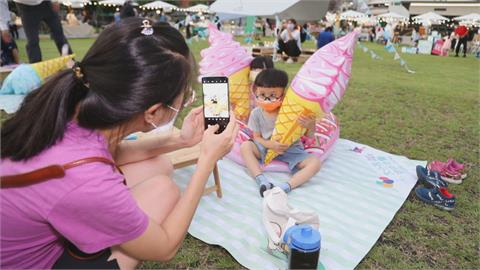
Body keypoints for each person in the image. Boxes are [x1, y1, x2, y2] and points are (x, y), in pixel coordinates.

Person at [0, 18, 238, 269]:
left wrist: (182, 139)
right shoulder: (86, 177)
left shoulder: (72, 104)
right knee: (164, 190)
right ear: (154, 112)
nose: (184, 103)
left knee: (159, 167)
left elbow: (113, 153)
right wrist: (206, 161)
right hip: (33, 264)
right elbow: (165, 247)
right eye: (184, 98)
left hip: (30, 234)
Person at [240, 69, 322, 197]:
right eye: (262, 94)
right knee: (245, 146)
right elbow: (257, 137)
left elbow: (310, 136)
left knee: (315, 163)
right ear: (255, 91)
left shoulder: (293, 112)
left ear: (283, 94)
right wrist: (270, 144)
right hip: (266, 147)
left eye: (272, 95)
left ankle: (285, 187)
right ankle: (261, 180)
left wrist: (311, 126)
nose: (266, 99)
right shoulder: (256, 113)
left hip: (291, 149)